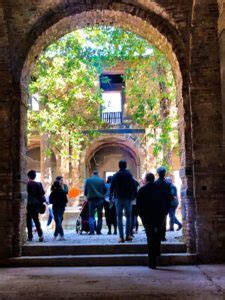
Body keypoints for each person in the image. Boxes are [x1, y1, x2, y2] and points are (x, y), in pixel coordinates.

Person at [137, 172, 169, 269]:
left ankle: (152, 262)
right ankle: (157, 253)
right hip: (159, 216)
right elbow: (166, 202)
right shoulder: (160, 189)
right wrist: (164, 214)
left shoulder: (142, 190)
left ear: (146, 180)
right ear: (154, 179)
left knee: (150, 237)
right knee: (158, 235)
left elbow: (139, 206)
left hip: (147, 218)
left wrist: (142, 217)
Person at [110, 160, 137, 243]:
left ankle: (121, 237)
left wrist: (111, 198)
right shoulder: (129, 175)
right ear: (126, 166)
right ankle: (127, 235)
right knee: (128, 217)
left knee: (119, 217)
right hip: (128, 198)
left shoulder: (115, 175)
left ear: (119, 166)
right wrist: (134, 196)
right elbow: (134, 186)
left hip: (118, 198)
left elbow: (111, 187)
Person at [84, 170, 106, 235]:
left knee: (91, 216)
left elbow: (85, 191)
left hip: (91, 200)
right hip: (100, 200)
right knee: (99, 216)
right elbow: (104, 190)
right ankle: (98, 231)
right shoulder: (101, 180)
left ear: (92, 174)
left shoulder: (88, 180)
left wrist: (87, 195)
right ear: (98, 174)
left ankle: (92, 231)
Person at [26, 170, 45, 242]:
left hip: (29, 204)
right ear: (35, 176)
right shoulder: (39, 184)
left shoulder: (27, 184)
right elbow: (42, 193)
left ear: (28, 177)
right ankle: (40, 235)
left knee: (28, 220)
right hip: (36, 204)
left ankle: (30, 236)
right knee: (36, 220)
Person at [155, 166, 172, 241]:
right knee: (164, 221)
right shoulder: (168, 184)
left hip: (157, 205)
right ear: (164, 174)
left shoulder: (155, 183)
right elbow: (169, 195)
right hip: (165, 204)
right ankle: (163, 236)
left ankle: (159, 235)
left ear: (158, 173)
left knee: (158, 220)